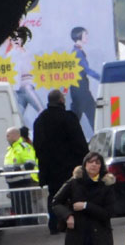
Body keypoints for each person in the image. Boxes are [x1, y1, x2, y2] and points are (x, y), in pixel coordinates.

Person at [35, 89, 90, 234]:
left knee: (54, 195)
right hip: (70, 167)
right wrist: (86, 161)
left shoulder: (40, 121)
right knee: (73, 194)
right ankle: (73, 222)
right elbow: (80, 143)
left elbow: (38, 147)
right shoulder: (69, 118)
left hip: (50, 168)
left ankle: (54, 224)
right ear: (61, 101)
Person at [52, 152, 116, 245]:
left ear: (101, 167)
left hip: (100, 234)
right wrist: (68, 216)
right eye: (90, 162)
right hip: (77, 234)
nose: (93, 165)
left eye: (97, 163)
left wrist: (86, 206)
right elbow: (56, 202)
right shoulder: (74, 182)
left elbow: (109, 213)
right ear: (85, 164)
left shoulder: (106, 185)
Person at [0, 126, 38, 225]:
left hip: (22, 183)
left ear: (15, 136)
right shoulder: (10, 150)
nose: (6, 138)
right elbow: (9, 167)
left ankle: (29, 228)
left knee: (25, 210)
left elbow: (30, 164)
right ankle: (21, 227)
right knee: (17, 210)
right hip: (12, 185)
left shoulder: (22, 147)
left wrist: (17, 169)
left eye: (8, 136)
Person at [70, 26, 101, 135]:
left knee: (90, 116)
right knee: (90, 116)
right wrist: (101, 77)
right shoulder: (77, 52)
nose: (87, 37)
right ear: (79, 36)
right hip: (80, 90)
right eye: (85, 35)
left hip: (81, 90)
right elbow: (86, 69)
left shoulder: (77, 51)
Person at [7, 35, 44, 125]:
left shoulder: (27, 51)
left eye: (18, 38)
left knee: (18, 117)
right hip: (23, 87)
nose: (16, 40)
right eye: (13, 39)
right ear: (10, 41)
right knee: (42, 112)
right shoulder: (12, 54)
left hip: (25, 86)